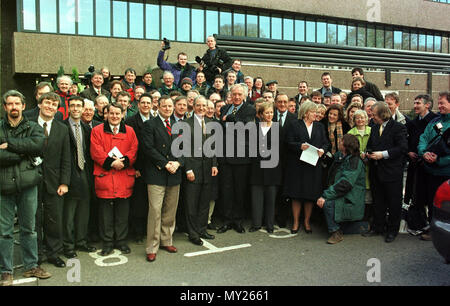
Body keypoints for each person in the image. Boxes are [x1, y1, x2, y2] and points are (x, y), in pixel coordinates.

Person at [0, 90, 51, 286]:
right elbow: (27, 149)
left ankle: (31, 265)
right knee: (4, 232)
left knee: (29, 229)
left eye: (17, 104)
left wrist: (9, 145)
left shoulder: (33, 127)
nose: (14, 107)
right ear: (5, 107)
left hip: (28, 185)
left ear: (23, 106)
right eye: (10, 104)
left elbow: (37, 145)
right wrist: (23, 152)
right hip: (4, 186)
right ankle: (6, 270)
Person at [90, 102, 138, 256]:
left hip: (124, 177)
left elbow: (134, 149)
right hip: (105, 178)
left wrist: (123, 162)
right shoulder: (97, 131)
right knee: (105, 215)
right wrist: (112, 162)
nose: (115, 116)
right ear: (106, 114)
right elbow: (95, 151)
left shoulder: (130, 131)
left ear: (123, 114)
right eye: (111, 113)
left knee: (122, 214)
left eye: (118, 113)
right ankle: (107, 243)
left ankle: (121, 241)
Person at [29, 92, 71, 268]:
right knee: (34, 219)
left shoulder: (62, 129)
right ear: (40, 104)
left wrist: (64, 182)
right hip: (30, 180)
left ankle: (54, 253)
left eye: (54, 104)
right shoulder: (29, 126)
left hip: (54, 182)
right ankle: (36, 254)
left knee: (54, 219)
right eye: (47, 103)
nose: (50, 107)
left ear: (57, 109)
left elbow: (66, 158)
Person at [141, 96, 184, 262]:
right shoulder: (149, 125)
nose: (167, 109)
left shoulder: (179, 126)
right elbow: (148, 149)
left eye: (170, 106)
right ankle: (152, 246)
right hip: (157, 173)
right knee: (155, 212)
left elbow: (186, 148)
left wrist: (178, 163)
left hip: (174, 173)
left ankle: (167, 240)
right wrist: (165, 163)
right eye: (164, 106)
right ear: (157, 107)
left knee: (170, 211)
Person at [364, 102, 408, 243]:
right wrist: (368, 153)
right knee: (378, 201)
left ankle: (392, 231)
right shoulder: (374, 127)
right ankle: (378, 227)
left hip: (392, 172)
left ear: (382, 114)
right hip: (376, 171)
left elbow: (402, 148)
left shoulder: (398, 128)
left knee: (394, 202)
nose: (372, 117)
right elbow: (371, 144)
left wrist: (382, 154)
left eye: (374, 115)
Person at [284, 101, 329, 234]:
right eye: (313, 112)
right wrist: (299, 146)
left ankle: (307, 222)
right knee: (296, 194)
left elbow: (326, 143)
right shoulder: (294, 125)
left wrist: (323, 150)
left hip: (313, 165)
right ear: (305, 112)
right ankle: (296, 222)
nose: (316, 114)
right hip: (297, 165)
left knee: (310, 195)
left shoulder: (320, 126)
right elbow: (288, 142)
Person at [217, 84, 256, 234]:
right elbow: (221, 125)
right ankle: (227, 220)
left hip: (241, 157)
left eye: (239, 94)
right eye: (234, 94)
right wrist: (229, 118)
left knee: (240, 190)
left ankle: (238, 220)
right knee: (226, 190)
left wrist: (230, 118)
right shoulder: (224, 108)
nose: (237, 97)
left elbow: (244, 126)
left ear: (244, 95)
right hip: (225, 156)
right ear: (230, 95)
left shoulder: (250, 109)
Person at [62, 96, 97, 258]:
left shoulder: (87, 128)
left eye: (78, 106)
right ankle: (68, 245)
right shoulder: (61, 127)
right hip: (69, 175)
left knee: (84, 211)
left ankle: (81, 241)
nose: (76, 109)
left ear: (83, 109)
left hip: (85, 174)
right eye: (73, 106)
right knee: (68, 214)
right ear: (68, 108)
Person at [316, 134, 366, 244]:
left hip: (351, 197)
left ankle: (336, 232)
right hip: (344, 193)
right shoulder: (340, 156)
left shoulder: (354, 161)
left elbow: (345, 184)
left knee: (327, 203)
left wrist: (325, 195)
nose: (339, 142)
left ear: (346, 145)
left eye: (341, 141)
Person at [183, 96, 219, 245]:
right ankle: (193, 233)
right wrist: (188, 169)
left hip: (208, 169)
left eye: (204, 106)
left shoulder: (211, 123)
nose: (202, 108)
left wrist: (215, 164)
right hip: (193, 169)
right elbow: (184, 149)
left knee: (204, 202)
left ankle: (202, 229)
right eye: (199, 105)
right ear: (193, 106)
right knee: (191, 203)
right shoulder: (186, 124)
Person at [416, 91, 450, 240]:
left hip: (446, 173)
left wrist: (439, 160)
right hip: (431, 171)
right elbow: (423, 137)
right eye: (439, 103)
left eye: (442, 103)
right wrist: (423, 153)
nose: (439, 106)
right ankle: (434, 228)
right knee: (432, 202)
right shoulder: (434, 121)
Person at [125, 93, 153, 244]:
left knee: (151, 203)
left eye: (148, 103)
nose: (146, 105)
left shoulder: (155, 121)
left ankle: (149, 230)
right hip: (137, 169)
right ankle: (137, 232)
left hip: (153, 168)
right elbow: (129, 146)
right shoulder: (130, 121)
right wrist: (134, 167)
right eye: (143, 103)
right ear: (138, 104)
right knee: (138, 203)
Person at [347, 110, 372, 221]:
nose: (360, 120)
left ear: (366, 119)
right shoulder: (351, 133)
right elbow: (349, 149)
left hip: (370, 165)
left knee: (369, 194)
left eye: (362, 117)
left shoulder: (372, 131)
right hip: (357, 165)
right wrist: (359, 154)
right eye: (357, 118)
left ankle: (367, 218)